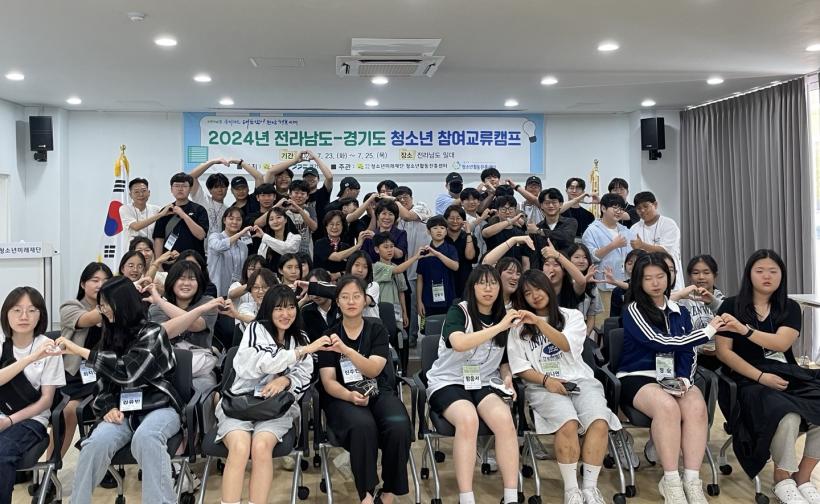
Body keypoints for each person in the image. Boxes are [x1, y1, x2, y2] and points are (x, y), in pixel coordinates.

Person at [56, 277, 225, 504]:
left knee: (147, 437)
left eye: (105, 304)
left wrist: (80, 350)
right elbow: (102, 383)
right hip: (123, 410)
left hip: (159, 407)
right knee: (94, 444)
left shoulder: (153, 333)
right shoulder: (109, 335)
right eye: (101, 305)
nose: (102, 310)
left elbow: (129, 372)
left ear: (122, 303)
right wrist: (107, 407)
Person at [715, 249, 820, 503]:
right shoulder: (730, 305)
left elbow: (781, 343)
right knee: (786, 413)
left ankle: (803, 477)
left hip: (786, 372)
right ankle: (781, 478)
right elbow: (723, 352)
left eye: (773, 271)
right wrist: (761, 377)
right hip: (747, 378)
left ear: (782, 275)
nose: (767, 276)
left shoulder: (790, 307)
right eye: (760, 270)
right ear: (749, 274)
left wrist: (745, 330)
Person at [508, 270, 621, 504]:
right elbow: (520, 368)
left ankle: (590, 488)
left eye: (538, 288)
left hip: (580, 381)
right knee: (567, 423)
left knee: (599, 421)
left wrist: (539, 322)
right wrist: (546, 381)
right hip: (542, 385)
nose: (535, 295)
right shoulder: (517, 327)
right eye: (527, 293)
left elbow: (566, 344)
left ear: (549, 288)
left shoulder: (572, 316)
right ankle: (572, 491)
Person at [617, 253, 721, 504]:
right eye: (648, 278)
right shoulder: (633, 310)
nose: (655, 283)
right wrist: (707, 332)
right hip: (638, 376)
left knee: (696, 407)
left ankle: (692, 480)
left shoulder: (680, 311)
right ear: (638, 281)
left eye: (660, 276)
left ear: (669, 278)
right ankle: (671, 480)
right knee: (667, 407)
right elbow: (659, 341)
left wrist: (685, 379)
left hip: (673, 377)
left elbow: (688, 351)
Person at [216, 285, 329, 504]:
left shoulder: (300, 336)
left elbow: (305, 374)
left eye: (290, 307)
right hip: (241, 403)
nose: (286, 314)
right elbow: (256, 364)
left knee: (261, 447)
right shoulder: (255, 329)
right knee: (239, 448)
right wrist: (301, 352)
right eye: (279, 308)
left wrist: (286, 380)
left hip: (277, 407)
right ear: (268, 309)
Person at [425, 265, 520, 504]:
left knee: (505, 420)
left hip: (483, 382)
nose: (488, 288)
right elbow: (459, 343)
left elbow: (504, 360)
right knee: (468, 420)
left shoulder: (504, 315)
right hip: (448, 381)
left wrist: (507, 378)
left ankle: (511, 496)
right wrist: (500, 327)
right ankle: (466, 498)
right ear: (472, 287)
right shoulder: (459, 311)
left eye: (493, 283)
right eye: (482, 283)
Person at [318, 275, 413, 504]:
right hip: (342, 396)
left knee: (399, 424)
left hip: (378, 390)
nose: (351, 301)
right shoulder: (328, 336)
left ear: (365, 300)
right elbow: (328, 381)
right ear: (337, 302)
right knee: (363, 426)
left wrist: (347, 351)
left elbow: (373, 369)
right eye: (345, 297)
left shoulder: (377, 329)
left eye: (356, 296)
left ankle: (389, 492)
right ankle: (367, 494)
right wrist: (349, 395)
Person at [0, 287, 65, 504]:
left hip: (31, 421)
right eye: (17, 310)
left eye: (31, 310)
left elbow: (46, 401)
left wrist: (9, 421)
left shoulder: (49, 347)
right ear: (6, 314)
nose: (24, 316)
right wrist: (30, 358)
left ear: (40, 315)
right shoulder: (1, 343)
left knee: (2, 452)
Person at [55, 263, 113, 460]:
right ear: (82, 284)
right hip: (74, 375)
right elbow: (87, 319)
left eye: (106, 281)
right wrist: (115, 300)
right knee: (68, 411)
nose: (100, 285)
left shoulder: (116, 310)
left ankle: (101, 460)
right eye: (95, 280)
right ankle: (52, 466)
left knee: (107, 406)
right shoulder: (70, 306)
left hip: (105, 374)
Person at [148, 261, 218, 393]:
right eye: (181, 278)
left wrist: (161, 302)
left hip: (199, 370)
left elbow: (195, 325)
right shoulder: (156, 307)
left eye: (192, 279)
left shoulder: (208, 302)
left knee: (202, 393)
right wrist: (161, 303)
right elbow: (165, 332)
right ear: (172, 281)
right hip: (166, 367)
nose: (186, 283)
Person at [582, 193, 632, 324]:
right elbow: (590, 257)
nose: (618, 211)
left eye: (621, 208)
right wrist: (613, 245)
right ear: (603, 208)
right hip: (603, 285)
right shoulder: (592, 230)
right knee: (605, 323)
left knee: (625, 323)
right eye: (614, 207)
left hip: (625, 284)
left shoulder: (625, 230)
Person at [674, 255, 725, 370]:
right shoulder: (682, 301)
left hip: (721, 356)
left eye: (706, 272)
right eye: (696, 273)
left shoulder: (723, 301)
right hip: (692, 357)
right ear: (689, 276)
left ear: (715, 275)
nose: (701, 277)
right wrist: (699, 348)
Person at [630, 191, 684, 290]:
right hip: (646, 277)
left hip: (668, 274)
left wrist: (642, 245)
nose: (642, 210)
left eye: (645, 206)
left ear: (655, 205)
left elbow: (666, 251)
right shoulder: (634, 228)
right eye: (638, 208)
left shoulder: (668, 224)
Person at [152, 172, 209, 260]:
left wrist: (183, 215)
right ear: (171, 189)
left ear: (190, 189)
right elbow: (159, 239)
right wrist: (158, 263)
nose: (180, 189)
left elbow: (201, 235)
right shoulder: (165, 211)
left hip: (194, 261)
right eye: (176, 186)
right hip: (169, 261)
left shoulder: (199, 210)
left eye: (184, 186)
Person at [372, 232, 422, 332]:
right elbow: (398, 270)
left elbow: (401, 291)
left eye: (392, 246)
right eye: (386, 247)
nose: (390, 250)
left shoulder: (396, 267)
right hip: (381, 310)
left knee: (397, 335)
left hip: (397, 311)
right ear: (377, 249)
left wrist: (404, 312)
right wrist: (416, 257)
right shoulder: (377, 266)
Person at [416, 216, 460, 321]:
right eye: (435, 228)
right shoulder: (424, 252)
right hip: (428, 299)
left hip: (448, 298)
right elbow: (420, 279)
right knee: (428, 327)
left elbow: (455, 266)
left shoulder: (451, 249)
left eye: (442, 228)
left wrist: (437, 254)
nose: (439, 230)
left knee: (447, 326)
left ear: (446, 231)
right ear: (428, 231)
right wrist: (419, 301)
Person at [207, 207, 254, 297]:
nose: (235, 222)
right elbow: (219, 246)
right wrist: (240, 234)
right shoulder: (215, 237)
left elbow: (243, 270)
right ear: (224, 220)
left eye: (238, 219)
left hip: (235, 292)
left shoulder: (243, 246)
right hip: (216, 289)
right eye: (231, 218)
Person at [530, 188, 578, 265]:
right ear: (541, 205)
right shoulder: (537, 228)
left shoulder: (570, 222)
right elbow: (535, 256)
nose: (551, 205)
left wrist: (541, 232)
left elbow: (566, 237)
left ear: (561, 204)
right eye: (547, 203)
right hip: (544, 269)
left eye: (554, 202)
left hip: (567, 268)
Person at [565, 244, 604, 337]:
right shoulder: (562, 281)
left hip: (582, 332)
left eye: (585, 257)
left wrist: (586, 335)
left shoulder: (592, 285)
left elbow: (591, 315)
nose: (581, 261)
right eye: (577, 257)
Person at [482, 196, 531, 270]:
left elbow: (525, 263)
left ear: (515, 211)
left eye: (511, 209)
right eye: (503, 209)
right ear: (497, 212)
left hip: (514, 272)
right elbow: (485, 233)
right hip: (494, 271)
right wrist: (510, 221)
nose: (507, 212)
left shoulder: (521, 234)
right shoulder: (490, 227)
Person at [188, 158, 231, 236]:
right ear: (209, 190)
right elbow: (191, 177)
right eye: (216, 187)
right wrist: (212, 162)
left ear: (227, 188)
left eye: (222, 186)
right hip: (199, 242)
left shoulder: (228, 210)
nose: (220, 190)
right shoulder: (202, 199)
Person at [443, 205, 478, 299]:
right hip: (445, 280)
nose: (455, 221)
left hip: (465, 281)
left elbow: (470, 257)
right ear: (446, 220)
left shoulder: (470, 238)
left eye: (458, 218)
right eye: (451, 218)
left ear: (464, 221)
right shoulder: (441, 238)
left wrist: (468, 233)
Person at [119, 178, 167, 242]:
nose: (141, 194)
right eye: (136, 192)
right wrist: (160, 215)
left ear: (149, 193)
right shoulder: (125, 209)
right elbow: (136, 227)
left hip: (151, 248)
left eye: (144, 191)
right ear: (130, 195)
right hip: (132, 248)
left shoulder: (157, 209)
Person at [362, 199, 409, 264]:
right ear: (378, 216)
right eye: (384, 213)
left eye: (390, 214)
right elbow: (363, 258)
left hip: (395, 270)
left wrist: (376, 237)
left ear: (395, 217)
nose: (387, 217)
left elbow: (399, 255)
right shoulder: (369, 236)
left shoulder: (401, 233)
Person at [284, 179, 318, 257]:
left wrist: (299, 209)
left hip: (306, 251)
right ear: (290, 194)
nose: (299, 196)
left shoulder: (310, 209)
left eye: (303, 194)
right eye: (296, 193)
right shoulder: (284, 210)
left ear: (307, 196)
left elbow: (314, 227)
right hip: (287, 250)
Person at [344, 251, 381, 318]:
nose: (360, 270)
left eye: (365, 267)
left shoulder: (373, 286)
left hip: (370, 323)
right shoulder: (342, 286)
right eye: (357, 265)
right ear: (350, 266)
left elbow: (361, 304)